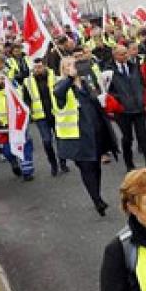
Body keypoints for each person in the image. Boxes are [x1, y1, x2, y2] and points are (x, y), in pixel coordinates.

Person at [54, 56, 110, 215]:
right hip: (78, 137)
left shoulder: (85, 82)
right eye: (68, 66)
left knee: (95, 166)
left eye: (74, 64)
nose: (73, 67)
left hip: (95, 132)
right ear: (64, 70)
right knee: (86, 168)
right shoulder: (61, 86)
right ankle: (96, 200)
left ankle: (97, 194)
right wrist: (70, 78)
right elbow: (58, 93)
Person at [107, 45, 146, 170]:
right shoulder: (109, 71)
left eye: (126, 53)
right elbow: (107, 91)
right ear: (115, 56)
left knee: (144, 136)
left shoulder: (134, 67)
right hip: (122, 111)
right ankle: (129, 164)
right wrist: (119, 102)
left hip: (138, 107)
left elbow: (142, 85)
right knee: (127, 138)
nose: (125, 56)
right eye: (122, 54)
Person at [22, 57, 70, 176]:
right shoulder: (27, 82)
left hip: (56, 113)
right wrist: (29, 112)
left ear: (44, 66)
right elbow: (26, 100)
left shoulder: (55, 77)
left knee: (60, 140)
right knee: (47, 142)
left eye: (40, 67)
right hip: (41, 117)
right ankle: (53, 164)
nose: (38, 69)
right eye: (35, 68)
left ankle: (62, 162)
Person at [0, 71, 32, 179]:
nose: (0, 81)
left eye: (2, 79)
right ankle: (13, 162)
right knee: (7, 151)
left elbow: (24, 105)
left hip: (18, 126)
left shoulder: (16, 92)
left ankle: (27, 171)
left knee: (24, 148)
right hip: (2, 128)